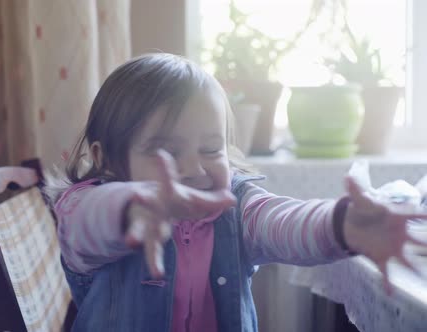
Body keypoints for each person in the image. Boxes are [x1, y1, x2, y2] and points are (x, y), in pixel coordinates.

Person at [45, 53, 427, 332]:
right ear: (106, 158)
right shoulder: (84, 208)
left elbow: (283, 221)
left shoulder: (235, 209)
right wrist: (132, 210)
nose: (194, 168)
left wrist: (340, 224)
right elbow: (86, 223)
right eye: (167, 152)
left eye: (211, 149)